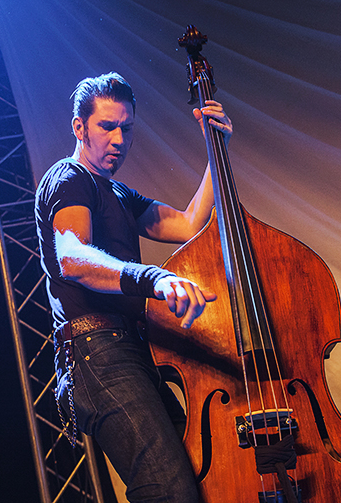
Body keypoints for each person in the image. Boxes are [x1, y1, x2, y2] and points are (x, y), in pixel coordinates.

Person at [34, 72, 232, 503]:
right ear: (79, 127)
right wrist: (155, 277)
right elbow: (74, 259)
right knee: (170, 492)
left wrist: (218, 151)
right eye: (107, 127)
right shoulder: (68, 178)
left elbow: (187, 223)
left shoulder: (119, 193)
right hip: (97, 353)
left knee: (202, 477)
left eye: (127, 128)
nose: (119, 139)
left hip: (130, 351)